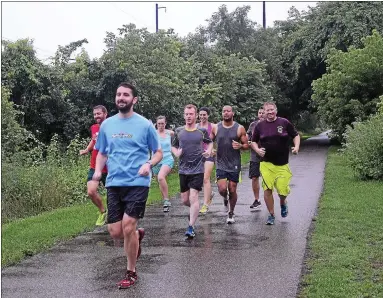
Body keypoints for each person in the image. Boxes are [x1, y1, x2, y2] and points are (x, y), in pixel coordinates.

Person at [93, 82, 163, 289]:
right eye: (118, 94)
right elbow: (102, 152)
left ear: (134, 100)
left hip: (137, 182)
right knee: (116, 232)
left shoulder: (145, 125)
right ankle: (136, 236)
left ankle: (131, 271)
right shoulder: (107, 125)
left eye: (125, 95)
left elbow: (158, 152)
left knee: (128, 226)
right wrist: (98, 171)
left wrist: (148, 164)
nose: (121, 97)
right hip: (114, 182)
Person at [251, 102, 300, 225]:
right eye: (267, 110)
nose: (270, 112)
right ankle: (271, 214)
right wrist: (257, 150)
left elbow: (295, 135)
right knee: (267, 189)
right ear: (264, 112)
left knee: (282, 191)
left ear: (276, 110)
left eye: (272, 110)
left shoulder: (284, 122)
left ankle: (283, 203)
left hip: (282, 164)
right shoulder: (259, 126)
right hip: (266, 163)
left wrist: (296, 147)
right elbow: (253, 141)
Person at [171, 104, 213, 238]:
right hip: (183, 170)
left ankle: (191, 227)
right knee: (185, 200)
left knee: (193, 196)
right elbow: (173, 145)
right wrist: (176, 153)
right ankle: (193, 211)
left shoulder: (202, 131)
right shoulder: (179, 131)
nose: (189, 116)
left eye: (191, 114)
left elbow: (210, 142)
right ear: (184, 115)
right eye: (186, 114)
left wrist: (209, 150)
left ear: (195, 116)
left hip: (198, 168)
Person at [211, 105, 249, 224]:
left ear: (233, 113)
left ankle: (231, 212)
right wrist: (210, 149)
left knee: (232, 189)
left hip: (234, 163)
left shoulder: (240, 128)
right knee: (222, 189)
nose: (226, 113)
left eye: (228, 111)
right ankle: (225, 198)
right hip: (221, 162)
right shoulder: (216, 127)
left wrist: (241, 146)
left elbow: (247, 145)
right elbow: (209, 141)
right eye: (224, 111)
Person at [79, 105, 108, 226]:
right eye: (95, 114)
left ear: (105, 114)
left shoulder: (112, 127)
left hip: (110, 167)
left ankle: (118, 215)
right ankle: (102, 211)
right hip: (94, 166)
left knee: (114, 194)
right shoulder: (94, 127)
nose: (96, 116)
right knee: (91, 191)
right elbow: (93, 140)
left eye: (99, 114)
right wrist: (87, 150)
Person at [152, 115, 175, 212]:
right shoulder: (153, 134)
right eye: (159, 124)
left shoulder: (170, 133)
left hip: (167, 158)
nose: (161, 125)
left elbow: (176, 142)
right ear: (156, 124)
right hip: (156, 159)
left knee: (161, 177)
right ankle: (165, 201)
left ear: (165, 124)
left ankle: (166, 200)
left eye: (162, 123)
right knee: (160, 181)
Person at [197, 107, 216, 215]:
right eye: (201, 115)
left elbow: (220, 138)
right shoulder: (196, 127)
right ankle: (210, 194)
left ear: (208, 115)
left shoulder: (213, 126)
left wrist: (214, 149)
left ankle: (205, 205)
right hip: (198, 155)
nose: (203, 117)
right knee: (200, 179)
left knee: (206, 178)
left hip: (209, 154)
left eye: (205, 115)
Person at [246, 107, 265, 210]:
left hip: (267, 156)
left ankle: (269, 198)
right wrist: (246, 141)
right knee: (254, 177)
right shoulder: (253, 125)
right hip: (254, 156)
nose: (261, 114)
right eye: (259, 112)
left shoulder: (270, 125)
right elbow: (247, 137)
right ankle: (257, 200)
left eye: (263, 113)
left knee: (268, 179)